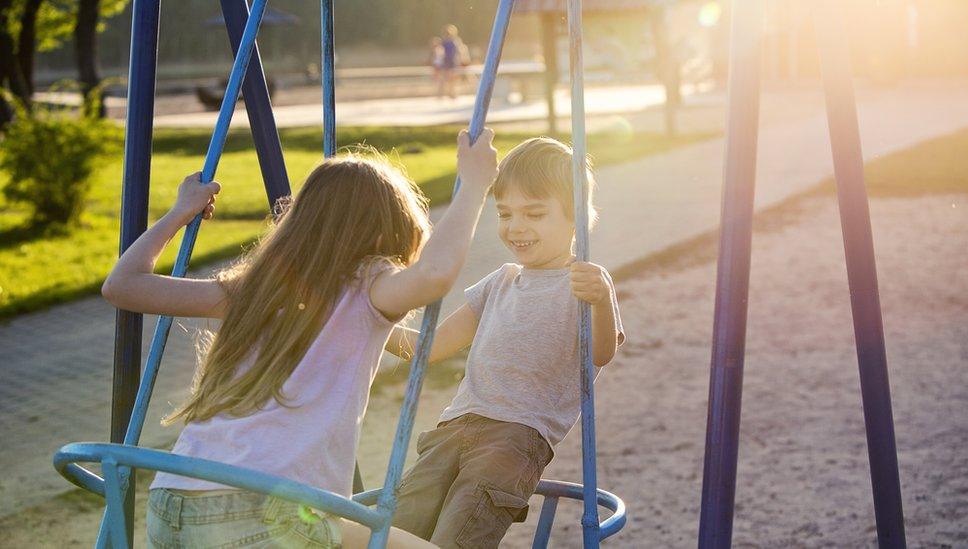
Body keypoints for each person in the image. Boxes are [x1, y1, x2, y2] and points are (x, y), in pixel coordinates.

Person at [100, 130, 499, 548]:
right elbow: (433, 275)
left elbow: (123, 286)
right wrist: (473, 187)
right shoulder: (368, 285)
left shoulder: (253, 291)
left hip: (173, 502)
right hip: (263, 510)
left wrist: (179, 214)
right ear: (385, 235)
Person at [387, 137, 625, 548]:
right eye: (505, 213)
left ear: (577, 220)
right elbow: (429, 348)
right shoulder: (499, 282)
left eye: (534, 213)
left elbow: (599, 355)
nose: (515, 227)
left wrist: (601, 298)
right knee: (397, 531)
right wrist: (365, 320)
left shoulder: (584, 283)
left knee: (457, 538)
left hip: (515, 438)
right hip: (454, 425)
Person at [438, 24, 470, 99]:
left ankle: (449, 94)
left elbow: (459, 52)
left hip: (450, 62)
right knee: (449, 79)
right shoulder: (451, 42)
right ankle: (450, 94)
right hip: (450, 62)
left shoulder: (450, 42)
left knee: (449, 79)